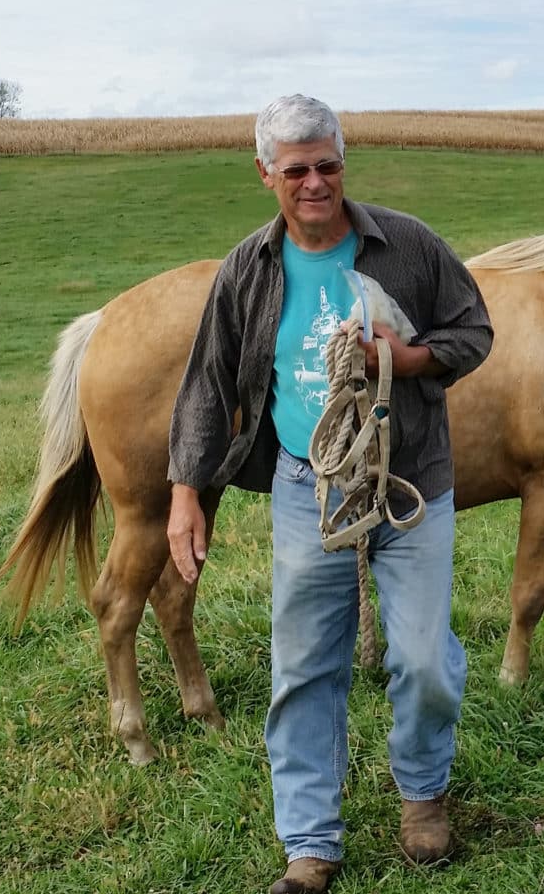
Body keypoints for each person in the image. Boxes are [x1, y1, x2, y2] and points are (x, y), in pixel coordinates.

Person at [166, 94, 494, 894]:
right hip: (306, 490)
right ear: (265, 175)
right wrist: (185, 494)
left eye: (328, 165)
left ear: (343, 162)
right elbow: (209, 384)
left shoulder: (408, 244)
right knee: (305, 666)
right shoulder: (248, 267)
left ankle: (423, 797)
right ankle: (310, 844)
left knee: (423, 659)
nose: (315, 182)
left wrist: (405, 359)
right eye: (296, 170)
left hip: (409, 482)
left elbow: (474, 331)